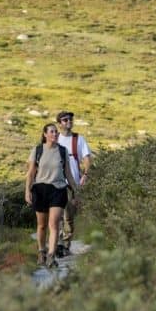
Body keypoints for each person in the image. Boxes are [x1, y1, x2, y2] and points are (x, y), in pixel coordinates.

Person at [25, 123, 78, 268]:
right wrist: (27, 191)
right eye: (52, 132)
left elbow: (68, 173)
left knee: (53, 224)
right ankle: (41, 252)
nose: (55, 134)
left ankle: (51, 256)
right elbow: (30, 174)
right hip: (40, 190)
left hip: (58, 189)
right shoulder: (37, 150)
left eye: (56, 132)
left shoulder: (62, 151)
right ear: (45, 134)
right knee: (41, 226)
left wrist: (75, 191)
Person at [56, 110, 92, 256]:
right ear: (59, 123)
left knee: (69, 216)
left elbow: (87, 159)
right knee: (57, 215)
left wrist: (85, 175)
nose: (69, 122)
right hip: (56, 183)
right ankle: (57, 244)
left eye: (70, 119)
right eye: (65, 120)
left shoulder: (79, 139)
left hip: (73, 183)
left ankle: (66, 244)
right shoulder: (55, 138)